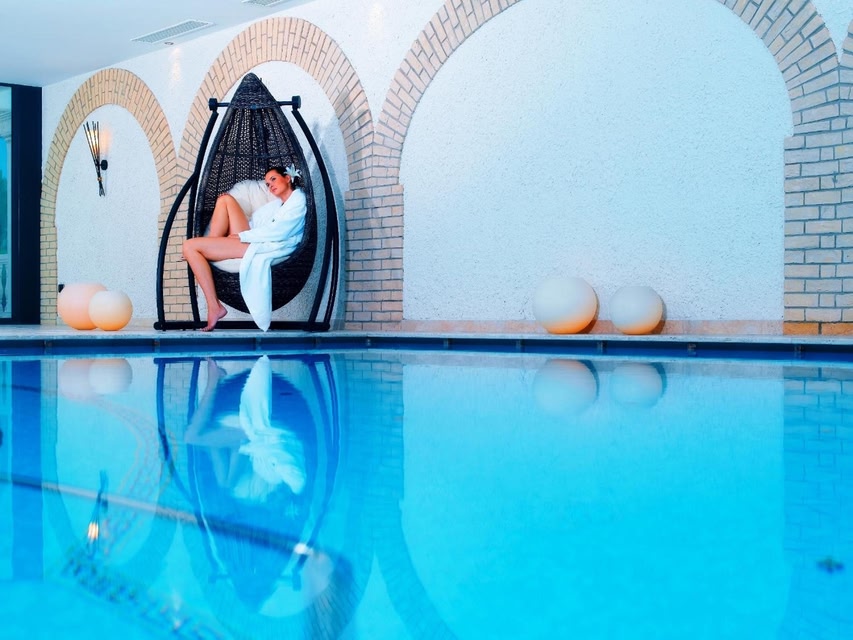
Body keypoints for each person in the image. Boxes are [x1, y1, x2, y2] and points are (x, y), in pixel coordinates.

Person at [182, 165, 307, 331]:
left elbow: (279, 232)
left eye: (273, 179)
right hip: (252, 237)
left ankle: (214, 306)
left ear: (287, 178)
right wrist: (241, 235)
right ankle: (207, 249)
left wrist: (244, 236)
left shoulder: (298, 200)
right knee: (225, 200)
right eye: (267, 184)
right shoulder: (276, 205)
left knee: (189, 246)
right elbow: (256, 223)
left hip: (261, 243)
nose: (270, 186)